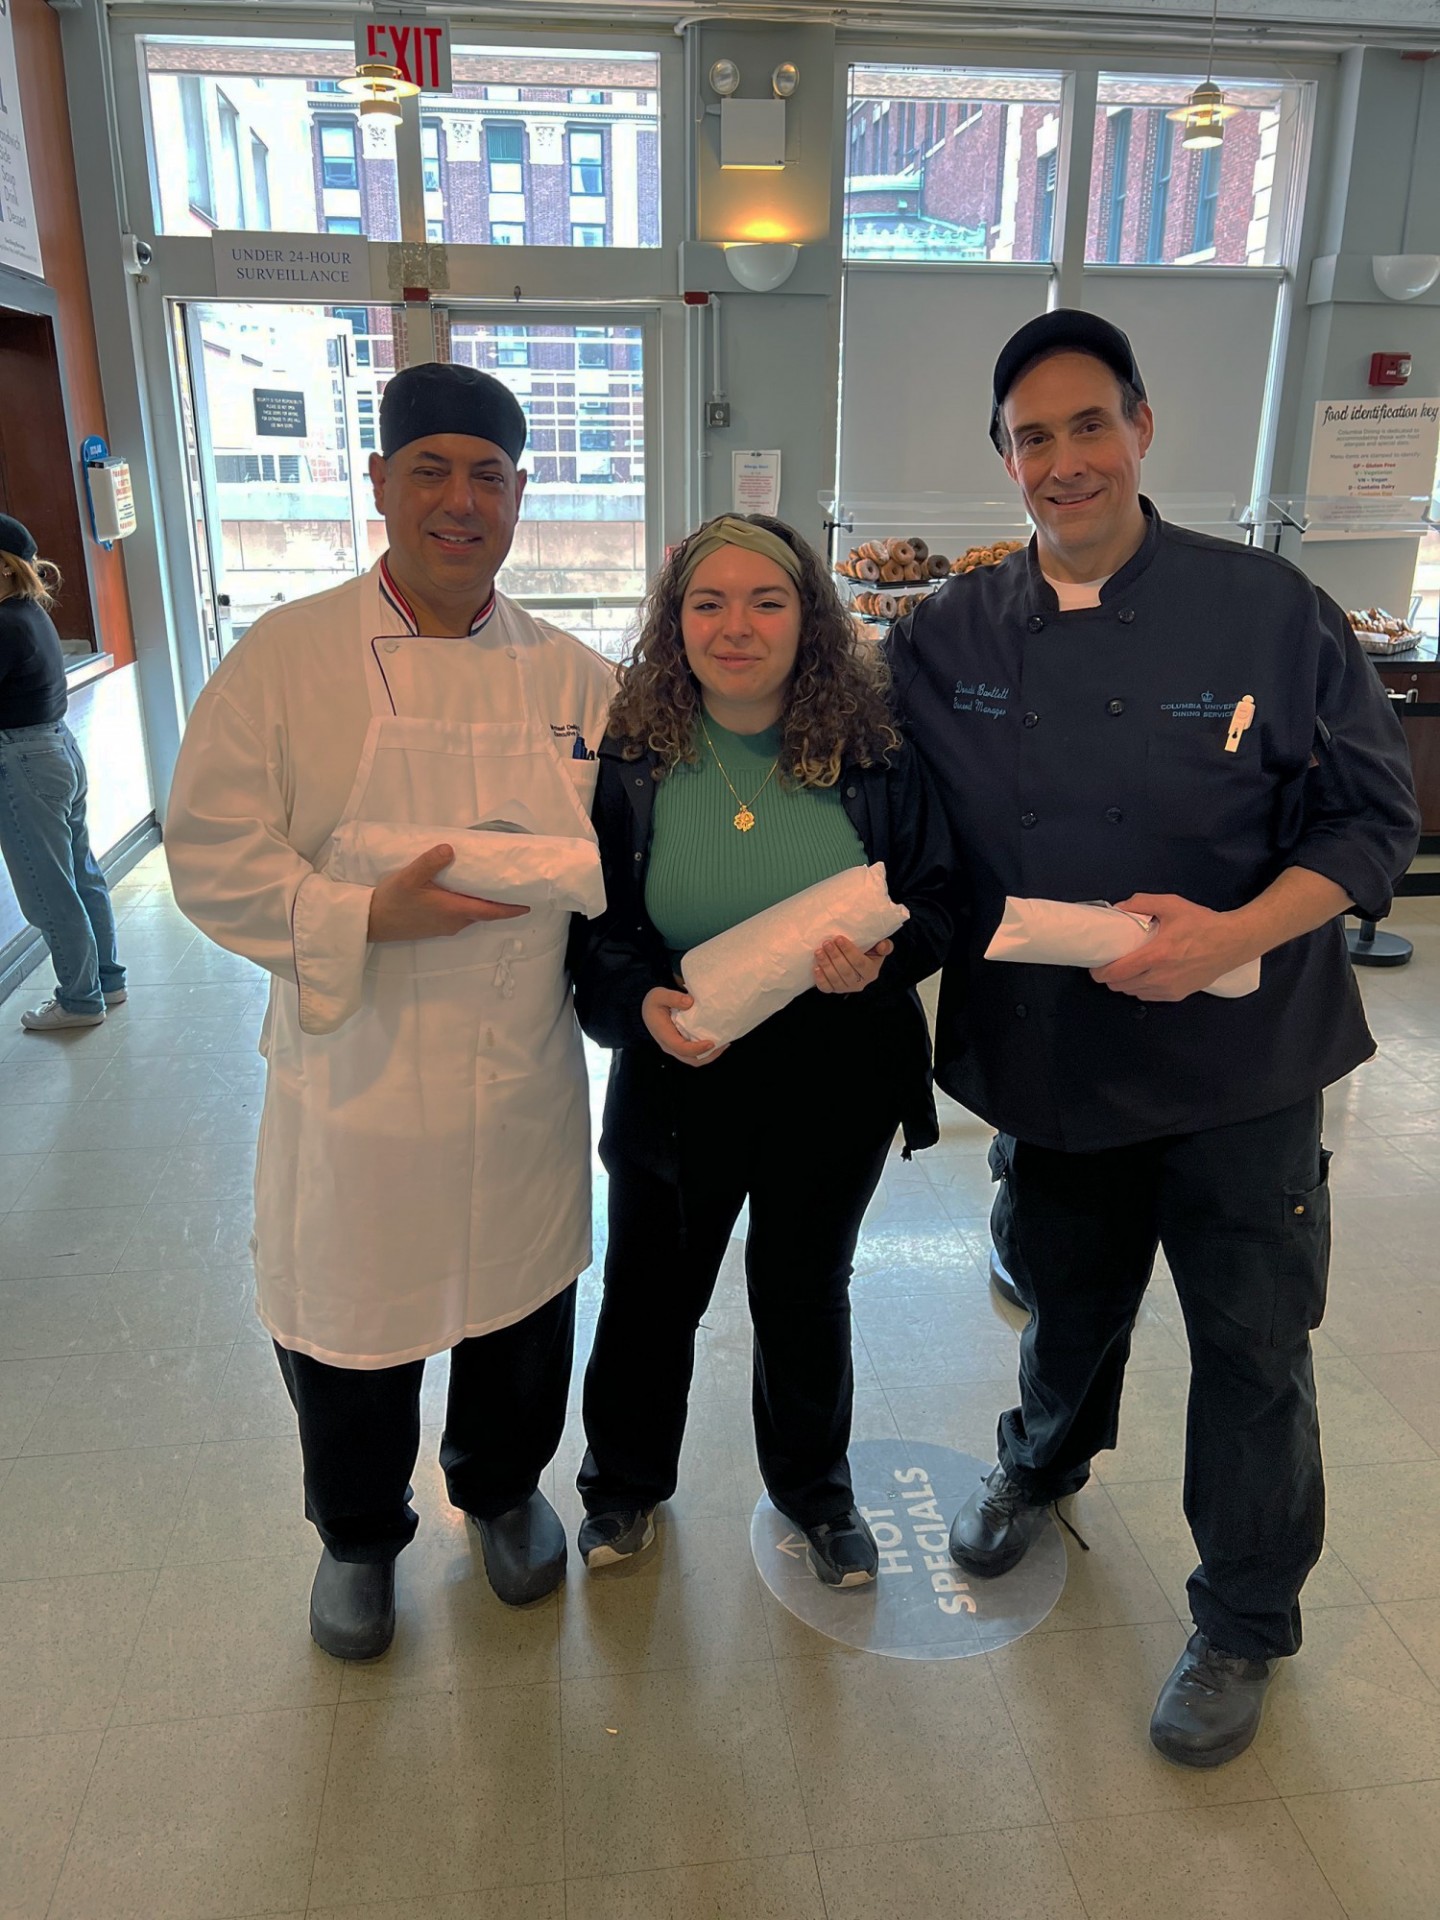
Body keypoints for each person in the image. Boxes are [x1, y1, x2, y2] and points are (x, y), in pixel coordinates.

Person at [887, 311, 1419, 1766]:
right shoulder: (950, 632)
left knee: (1254, 1346)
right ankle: (1041, 1467)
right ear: (1004, 459)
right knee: (1067, 1302)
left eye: (1088, 426)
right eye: (1032, 439)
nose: (1065, 464)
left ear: (1143, 427)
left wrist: (1235, 932)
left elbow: (1375, 819)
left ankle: (1245, 1621)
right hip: (1053, 1059)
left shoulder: (1268, 609)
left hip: (1243, 1072)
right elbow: (874, 801)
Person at [166, 363, 615, 1659]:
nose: (460, 502)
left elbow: (636, 861)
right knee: (353, 1332)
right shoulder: (284, 662)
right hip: (354, 1070)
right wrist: (361, 912)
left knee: (522, 1311)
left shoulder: (574, 681)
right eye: (431, 472)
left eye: (487, 476)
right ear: (379, 484)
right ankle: (359, 1538)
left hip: (517, 1066)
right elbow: (212, 856)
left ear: (521, 497)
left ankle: (503, 1488)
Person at [570, 513, 952, 1587]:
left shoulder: (874, 751)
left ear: (808, 619)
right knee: (654, 1289)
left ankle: (816, 1494)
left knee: (802, 1286)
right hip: (681, 1062)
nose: (736, 627)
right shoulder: (635, 755)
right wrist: (638, 1004)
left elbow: (938, 896)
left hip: (837, 1066)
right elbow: (597, 931)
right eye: (708, 602)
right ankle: (623, 1486)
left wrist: (885, 959)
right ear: (675, 620)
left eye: (767, 601)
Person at [0, 515, 127, 1032]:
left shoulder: (6, 624)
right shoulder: (28, 613)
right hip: (54, 750)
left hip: (23, 761)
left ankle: (79, 1001)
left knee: (47, 891)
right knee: (81, 875)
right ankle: (107, 980)